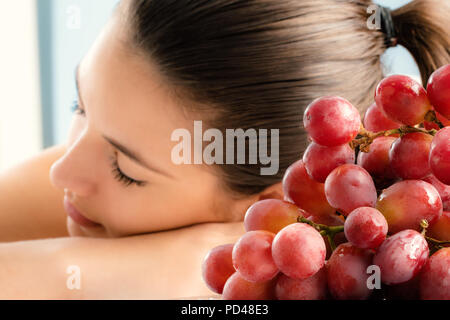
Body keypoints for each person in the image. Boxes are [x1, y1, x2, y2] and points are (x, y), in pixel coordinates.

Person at [0, 0, 448, 299]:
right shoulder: (102, 165)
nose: (62, 170)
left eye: (125, 170)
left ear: (265, 206)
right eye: (80, 104)